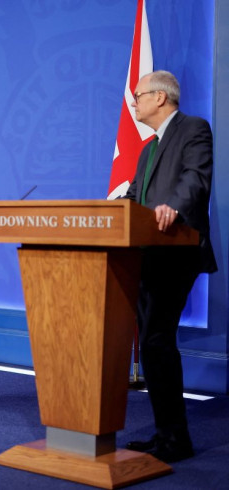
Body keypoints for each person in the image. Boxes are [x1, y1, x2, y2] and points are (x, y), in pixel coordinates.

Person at [123, 71, 216, 462]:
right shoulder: (147, 149)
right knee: (152, 343)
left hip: (177, 250)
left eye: (139, 95)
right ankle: (166, 435)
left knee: (157, 340)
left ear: (160, 97)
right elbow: (133, 197)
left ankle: (176, 439)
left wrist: (173, 206)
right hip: (147, 253)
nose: (135, 102)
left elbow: (195, 180)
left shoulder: (194, 129)